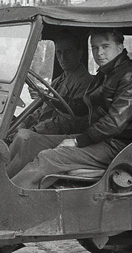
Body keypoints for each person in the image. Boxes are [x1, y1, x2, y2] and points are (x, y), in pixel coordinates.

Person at [11, 29, 132, 189]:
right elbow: (81, 106)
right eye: (95, 48)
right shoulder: (106, 73)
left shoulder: (131, 78)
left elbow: (113, 124)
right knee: (28, 140)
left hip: (115, 145)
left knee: (49, 158)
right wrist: (51, 99)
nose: (99, 53)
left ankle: (9, 198)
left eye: (105, 46)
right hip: (97, 138)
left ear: (120, 47)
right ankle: (0, 184)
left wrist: (77, 141)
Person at [7, 36, 93, 177]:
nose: (62, 57)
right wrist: (24, 123)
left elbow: (70, 122)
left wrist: (34, 129)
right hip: (47, 129)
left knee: (24, 137)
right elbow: (43, 110)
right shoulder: (59, 80)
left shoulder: (86, 83)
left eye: (68, 51)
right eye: (59, 52)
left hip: (64, 135)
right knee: (11, 133)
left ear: (79, 53)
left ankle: (5, 180)